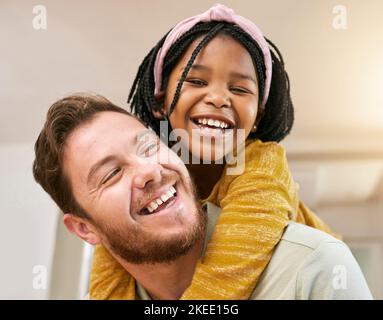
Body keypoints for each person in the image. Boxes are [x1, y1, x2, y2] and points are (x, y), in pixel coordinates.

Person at [91, 4, 339, 299]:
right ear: (160, 102)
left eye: (240, 89)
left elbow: (225, 276)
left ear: (258, 116)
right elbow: (113, 255)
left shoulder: (262, 163)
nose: (219, 98)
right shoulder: (146, 167)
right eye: (196, 81)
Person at [32, 94, 372, 299]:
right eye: (111, 174)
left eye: (149, 146)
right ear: (84, 229)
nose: (149, 170)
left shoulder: (314, 267)